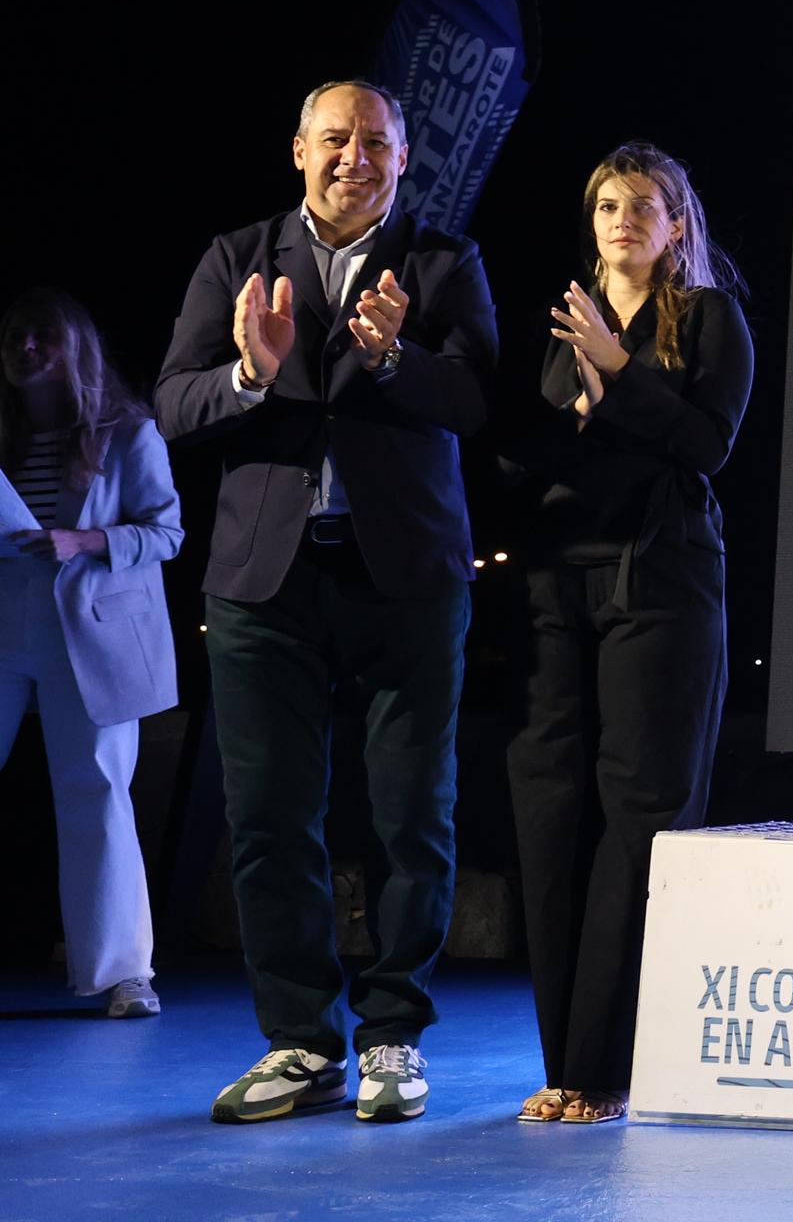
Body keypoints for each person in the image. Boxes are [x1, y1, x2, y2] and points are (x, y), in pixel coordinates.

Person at [155, 79, 498, 1125]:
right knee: (267, 820)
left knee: (410, 815)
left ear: (404, 159)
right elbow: (173, 403)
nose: (358, 157)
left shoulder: (443, 261)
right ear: (299, 149)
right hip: (265, 583)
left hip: (407, 578)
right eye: (337, 139)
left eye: (379, 142)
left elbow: (478, 400)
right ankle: (300, 1042)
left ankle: (392, 1032)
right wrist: (249, 378)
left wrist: (395, 357)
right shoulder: (237, 257)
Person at [502, 143, 750, 1124]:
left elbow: (710, 445)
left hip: (663, 579)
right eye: (607, 202)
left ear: (677, 223)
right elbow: (515, 454)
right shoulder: (559, 320)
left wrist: (623, 378)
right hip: (557, 584)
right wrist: (564, 417)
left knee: (639, 814)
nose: (623, 217)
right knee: (551, 810)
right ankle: (562, 1061)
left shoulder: (710, 319)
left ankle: (604, 1066)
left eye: (645, 204)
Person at [2, 288, 182, 1021]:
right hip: (9, 623)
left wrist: (88, 541)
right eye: (15, 337)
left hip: (93, 631)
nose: (25, 349)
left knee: (98, 793)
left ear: (75, 347)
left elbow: (167, 533)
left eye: (42, 336)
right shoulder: (3, 437)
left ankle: (123, 973)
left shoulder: (126, 434)